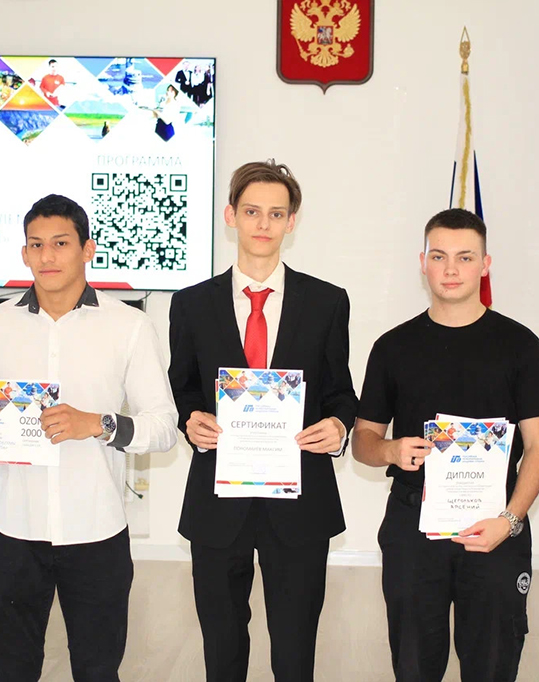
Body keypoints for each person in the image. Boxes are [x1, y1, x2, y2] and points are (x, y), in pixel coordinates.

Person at [0, 193, 178, 682]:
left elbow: (164, 427)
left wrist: (99, 424)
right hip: (12, 530)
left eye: (61, 243)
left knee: (97, 671)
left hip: (95, 532)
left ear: (87, 249)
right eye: (36, 244)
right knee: (13, 670)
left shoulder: (130, 326)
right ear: (24, 253)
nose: (47, 256)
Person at [168, 160, 358, 681]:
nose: (263, 223)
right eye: (252, 211)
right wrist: (190, 419)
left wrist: (339, 426)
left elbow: (341, 392)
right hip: (217, 500)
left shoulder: (327, 302)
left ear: (291, 222)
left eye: (276, 214)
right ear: (231, 215)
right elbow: (182, 387)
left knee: (295, 650)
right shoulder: (190, 305)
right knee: (222, 647)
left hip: (300, 501)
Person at [352, 208, 539, 682]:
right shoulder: (393, 346)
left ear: (485, 264)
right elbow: (363, 439)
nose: (450, 269)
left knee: (492, 663)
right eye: (439, 256)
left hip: (495, 524)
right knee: (413, 664)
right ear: (422, 262)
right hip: (413, 525)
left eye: (465, 257)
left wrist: (509, 520)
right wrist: (390, 450)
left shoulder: (520, 345)